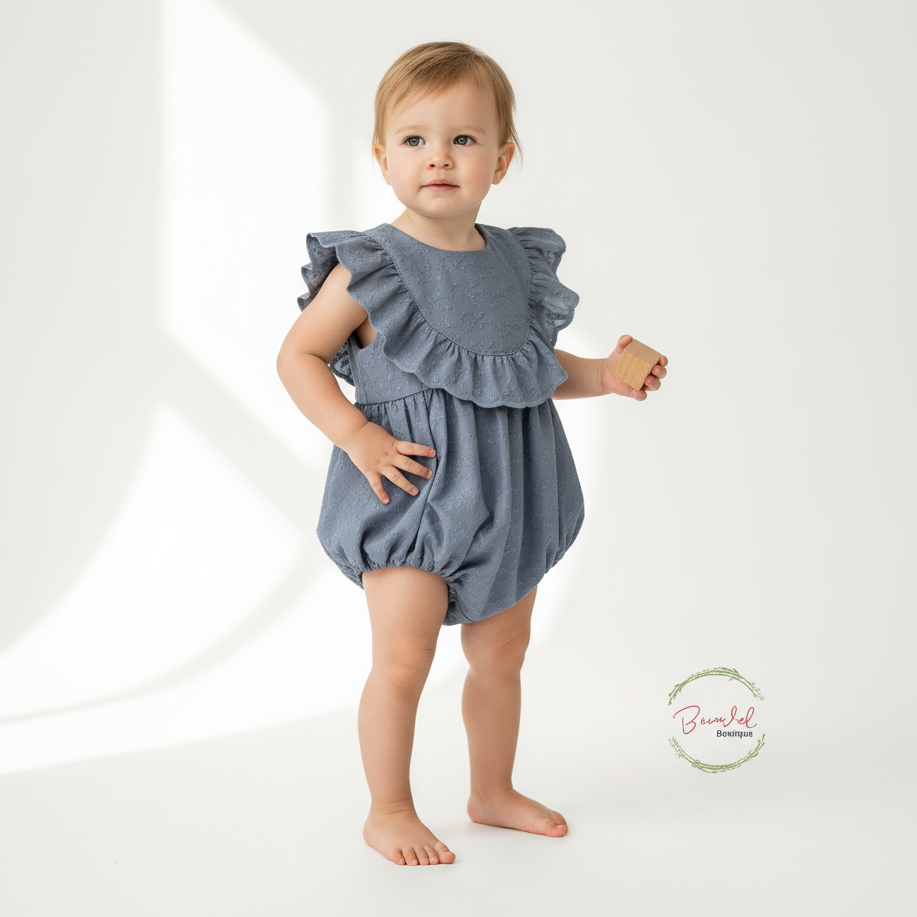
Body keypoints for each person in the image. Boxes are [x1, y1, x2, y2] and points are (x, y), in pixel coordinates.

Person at [277, 41, 667, 867]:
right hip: (411, 493)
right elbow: (297, 357)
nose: (439, 157)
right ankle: (388, 806)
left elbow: (525, 372)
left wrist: (605, 374)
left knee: (501, 655)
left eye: (462, 138)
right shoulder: (370, 266)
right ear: (382, 157)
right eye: (414, 139)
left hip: (508, 494)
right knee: (404, 657)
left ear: (501, 158)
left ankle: (490, 789)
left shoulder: (512, 264)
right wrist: (355, 433)